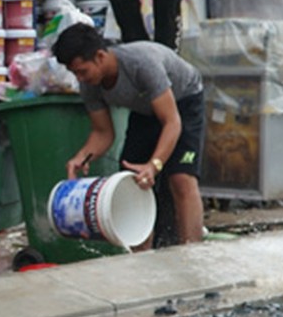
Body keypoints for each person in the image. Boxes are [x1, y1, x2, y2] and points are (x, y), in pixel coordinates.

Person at [51, 22, 205, 248]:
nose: (80, 79)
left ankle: (194, 252)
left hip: (183, 103)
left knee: (180, 178)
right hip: (145, 111)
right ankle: (139, 259)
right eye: (75, 73)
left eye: (82, 71)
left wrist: (154, 165)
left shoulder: (141, 64)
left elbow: (172, 123)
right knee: (133, 182)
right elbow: (103, 133)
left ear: (100, 56)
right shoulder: (90, 84)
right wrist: (81, 157)